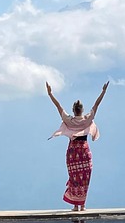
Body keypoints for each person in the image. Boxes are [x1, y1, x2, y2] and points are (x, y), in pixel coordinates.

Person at [46, 80, 109, 211]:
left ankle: (76, 205)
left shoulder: (69, 120)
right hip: (84, 151)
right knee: (85, 178)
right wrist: (103, 91)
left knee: (74, 177)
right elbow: (97, 104)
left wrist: (50, 93)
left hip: (73, 152)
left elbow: (58, 106)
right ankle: (83, 204)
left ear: (73, 110)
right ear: (82, 110)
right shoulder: (87, 119)